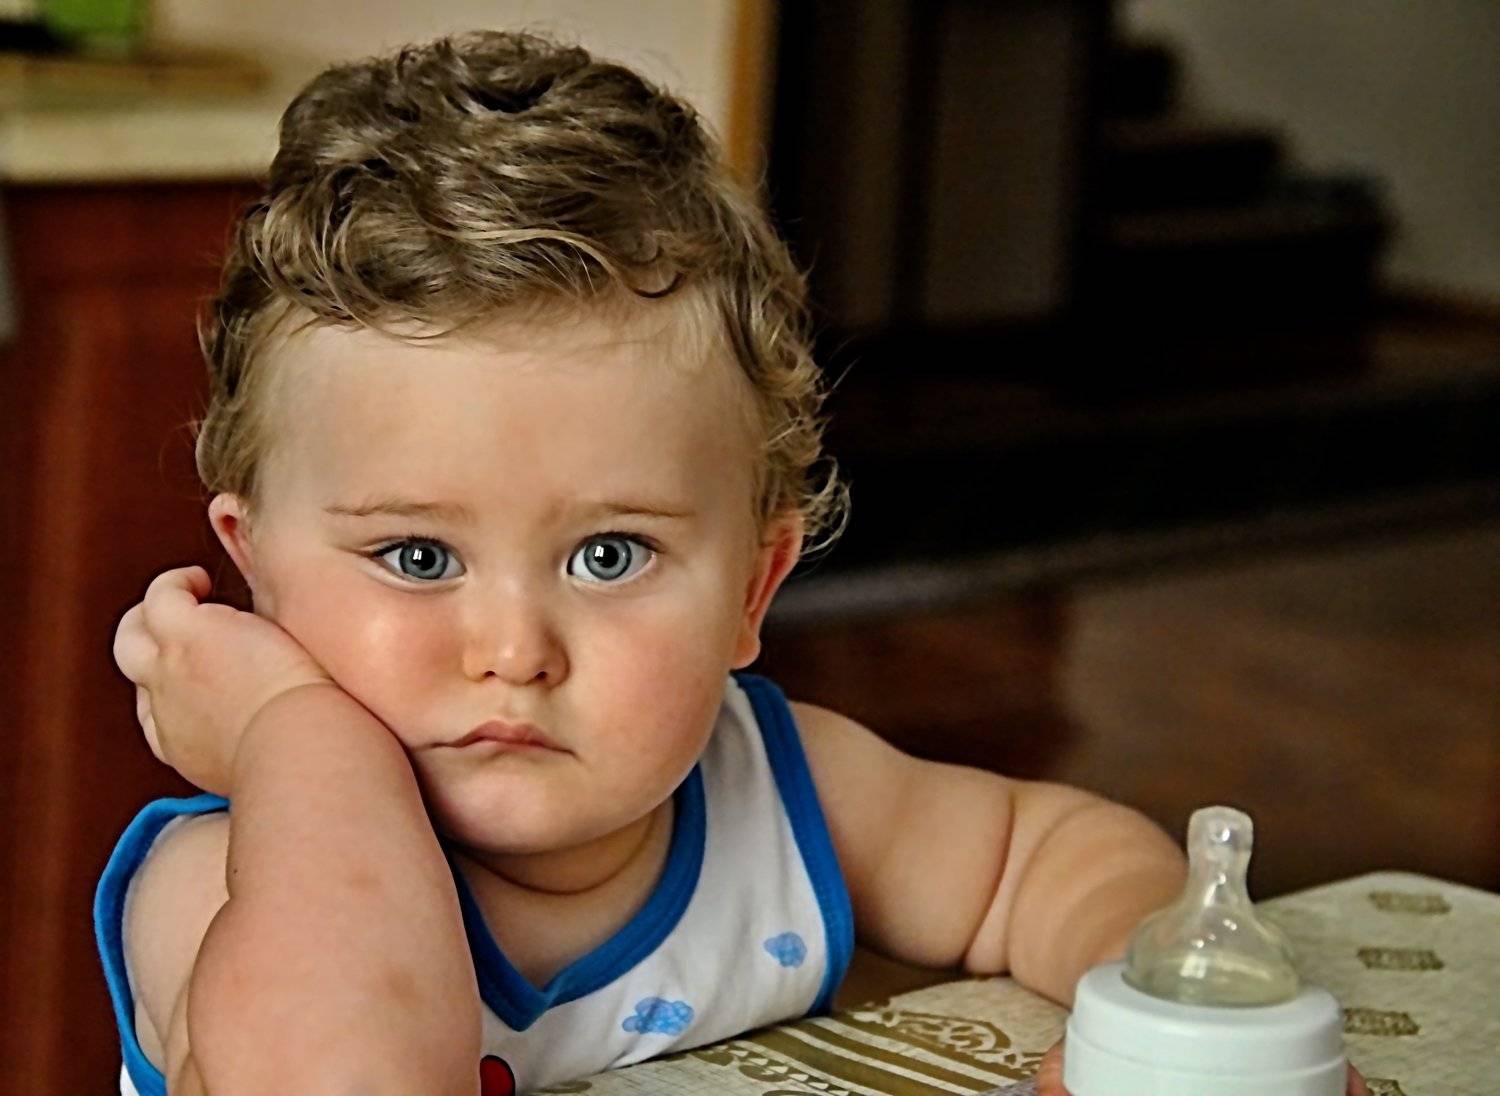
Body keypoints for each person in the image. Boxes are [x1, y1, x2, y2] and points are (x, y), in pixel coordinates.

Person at [99, 29, 1365, 1096]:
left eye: (608, 554)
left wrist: (1159, 1015)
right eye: (418, 554)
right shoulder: (222, 877)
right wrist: (295, 730)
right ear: (258, 576)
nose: (514, 650)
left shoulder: (779, 793)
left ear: (753, 590)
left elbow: (1047, 855)